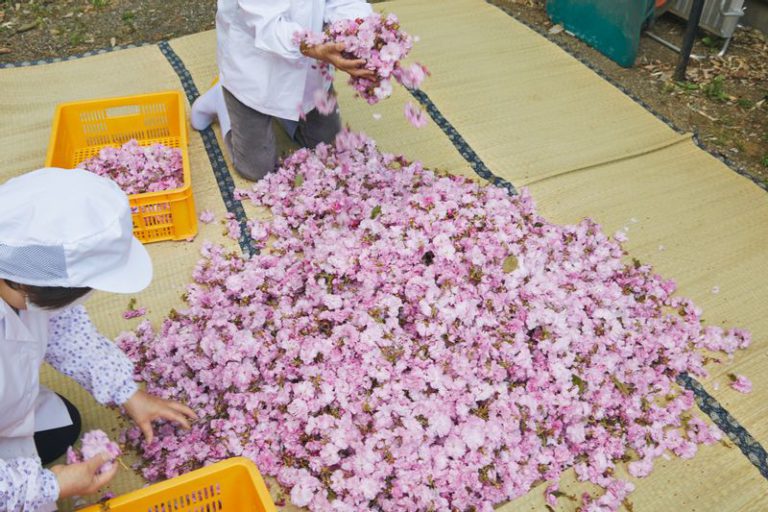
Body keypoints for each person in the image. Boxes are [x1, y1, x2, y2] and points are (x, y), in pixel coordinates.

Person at [0, 168, 197, 511]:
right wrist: (51, 485)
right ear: (28, 287)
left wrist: (127, 391)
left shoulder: (23, 276)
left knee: (65, 426)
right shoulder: (29, 282)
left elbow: (65, 329)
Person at [211, 0, 375, 182]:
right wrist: (314, 47)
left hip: (311, 68)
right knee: (256, 169)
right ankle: (220, 99)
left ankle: (286, 114)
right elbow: (268, 25)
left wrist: (358, 32)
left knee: (329, 150)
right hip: (254, 71)